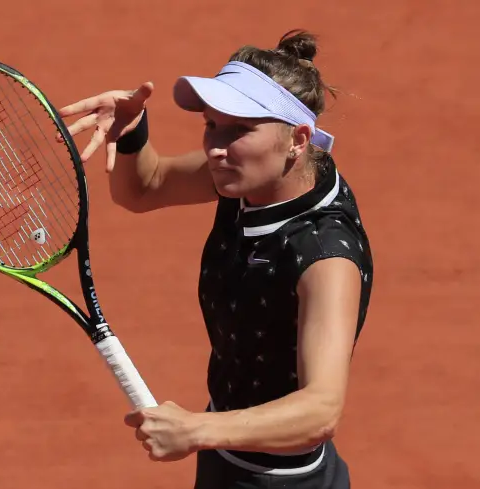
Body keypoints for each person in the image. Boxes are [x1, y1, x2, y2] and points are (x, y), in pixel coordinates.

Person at [58, 29, 373, 489]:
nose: (216, 147)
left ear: (298, 139)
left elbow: (321, 409)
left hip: (284, 482)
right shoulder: (256, 174)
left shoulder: (324, 255)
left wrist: (195, 430)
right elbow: (145, 187)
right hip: (228, 456)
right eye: (211, 124)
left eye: (240, 130)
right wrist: (131, 133)